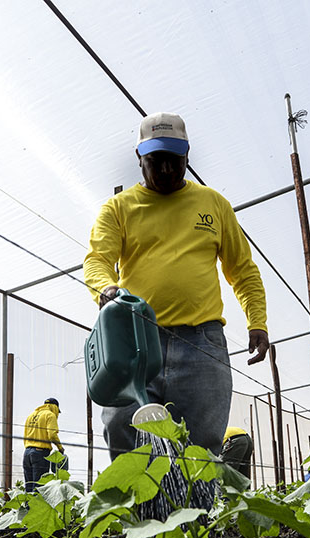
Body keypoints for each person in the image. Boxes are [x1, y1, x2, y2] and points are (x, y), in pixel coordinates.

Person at [84, 112, 269, 460]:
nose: (167, 170)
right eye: (157, 161)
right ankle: (140, 515)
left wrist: (257, 321)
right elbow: (96, 260)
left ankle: (195, 516)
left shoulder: (213, 205)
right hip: (137, 342)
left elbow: (242, 270)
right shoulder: (119, 209)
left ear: (187, 156)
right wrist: (105, 288)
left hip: (202, 344)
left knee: (199, 452)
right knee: (125, 437)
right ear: (140, 158)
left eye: (175, 160)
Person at [22, 398, 64, 493]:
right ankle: (36, 508)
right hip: (40, 453)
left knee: (28, 488)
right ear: (55, 407)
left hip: (27, 453)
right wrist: (60, 448)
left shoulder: (31, 416)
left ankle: (28, 508)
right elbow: (52, 434)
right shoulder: (50, 415)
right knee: (39, 488)